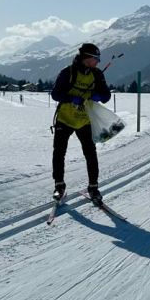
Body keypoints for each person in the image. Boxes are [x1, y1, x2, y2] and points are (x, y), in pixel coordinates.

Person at [50, 43, 111, 204]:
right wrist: (71, 98)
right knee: (59, 152)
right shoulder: (67, 72)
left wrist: (97, 96)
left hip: (84, 120)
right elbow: (55, 94)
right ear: (86, 58)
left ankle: (93, 187)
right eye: (95, 58)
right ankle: (59, 186)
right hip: (65, 118)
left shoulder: (97, 74)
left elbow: (106, 95)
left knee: (90, 153)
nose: (97, 62)